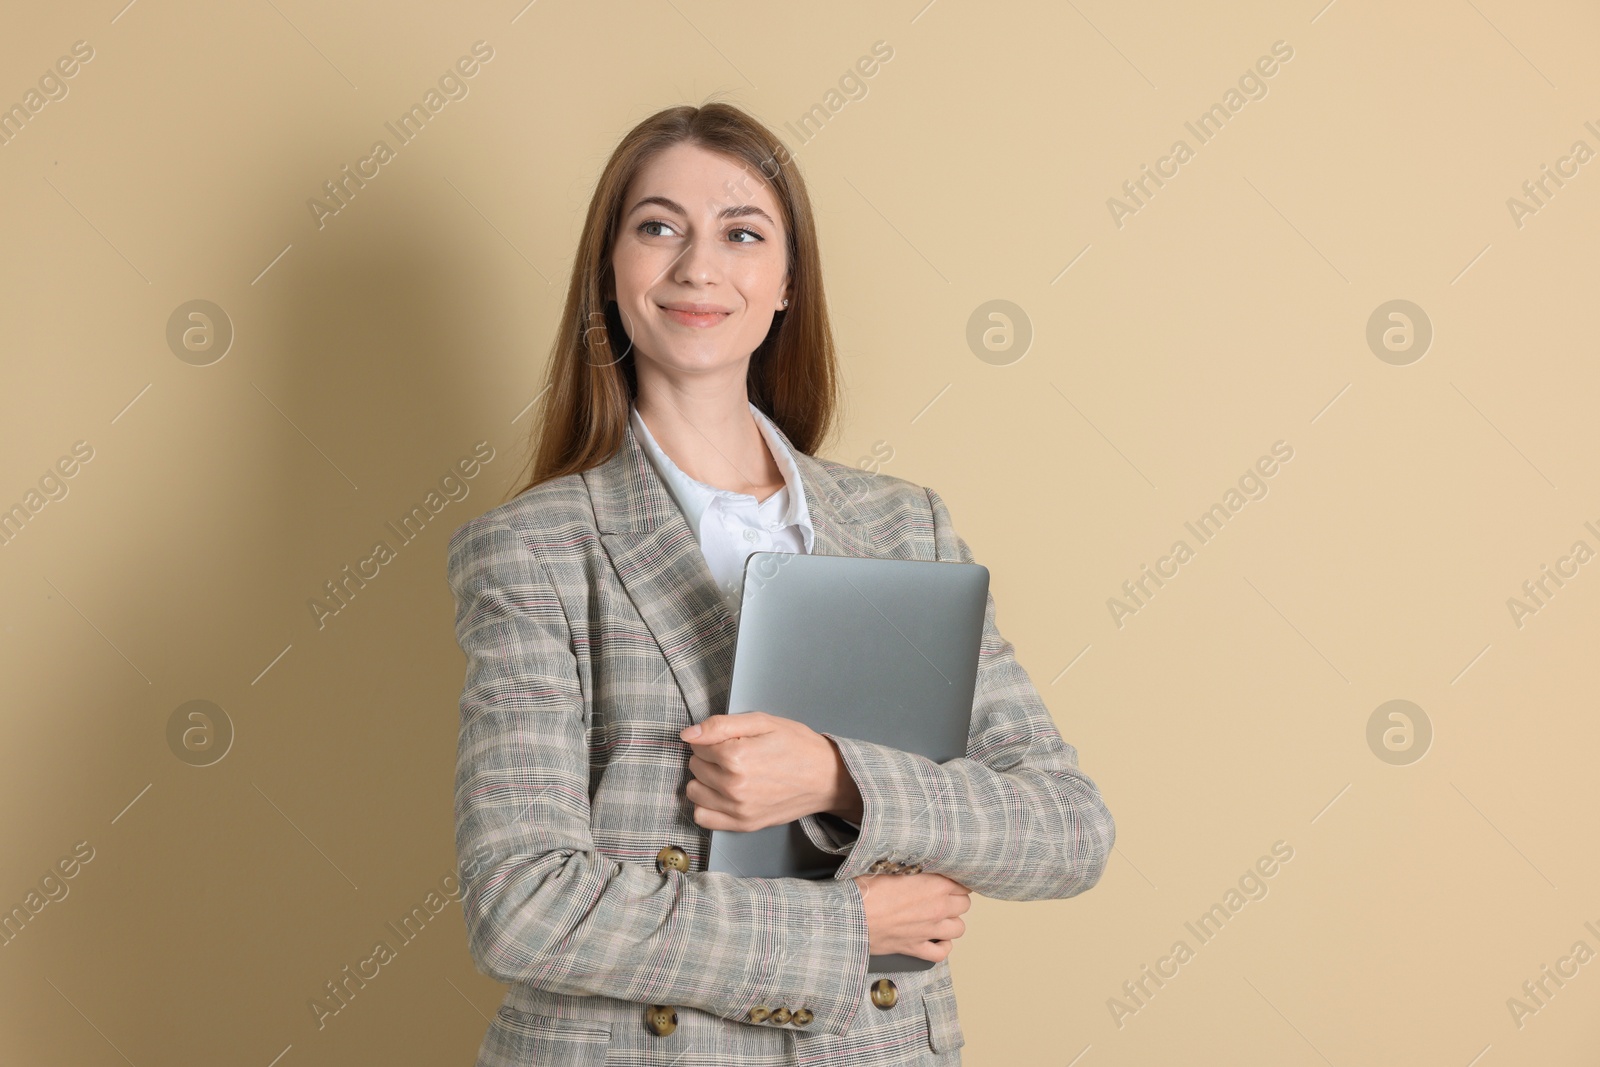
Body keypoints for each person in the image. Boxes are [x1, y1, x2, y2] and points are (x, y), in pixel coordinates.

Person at [446, 101, 1115, 1067]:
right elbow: (522, 905)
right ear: (612, 269)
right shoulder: (534, 549)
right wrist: (852, 926)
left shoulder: (903, 527)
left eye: (741, 233)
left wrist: (836, 775)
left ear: (787, 282)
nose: (697, 266)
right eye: (658, 226)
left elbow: (1067, 827)